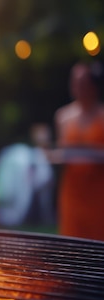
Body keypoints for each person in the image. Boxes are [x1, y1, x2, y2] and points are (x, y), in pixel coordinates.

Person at [55, 61, 104, 241]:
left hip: (99, 190)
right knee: (72, 242)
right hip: (73, 189)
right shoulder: (63, 117)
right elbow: (61, 152)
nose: (78, 88)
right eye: (75, 83)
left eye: (83, 83)